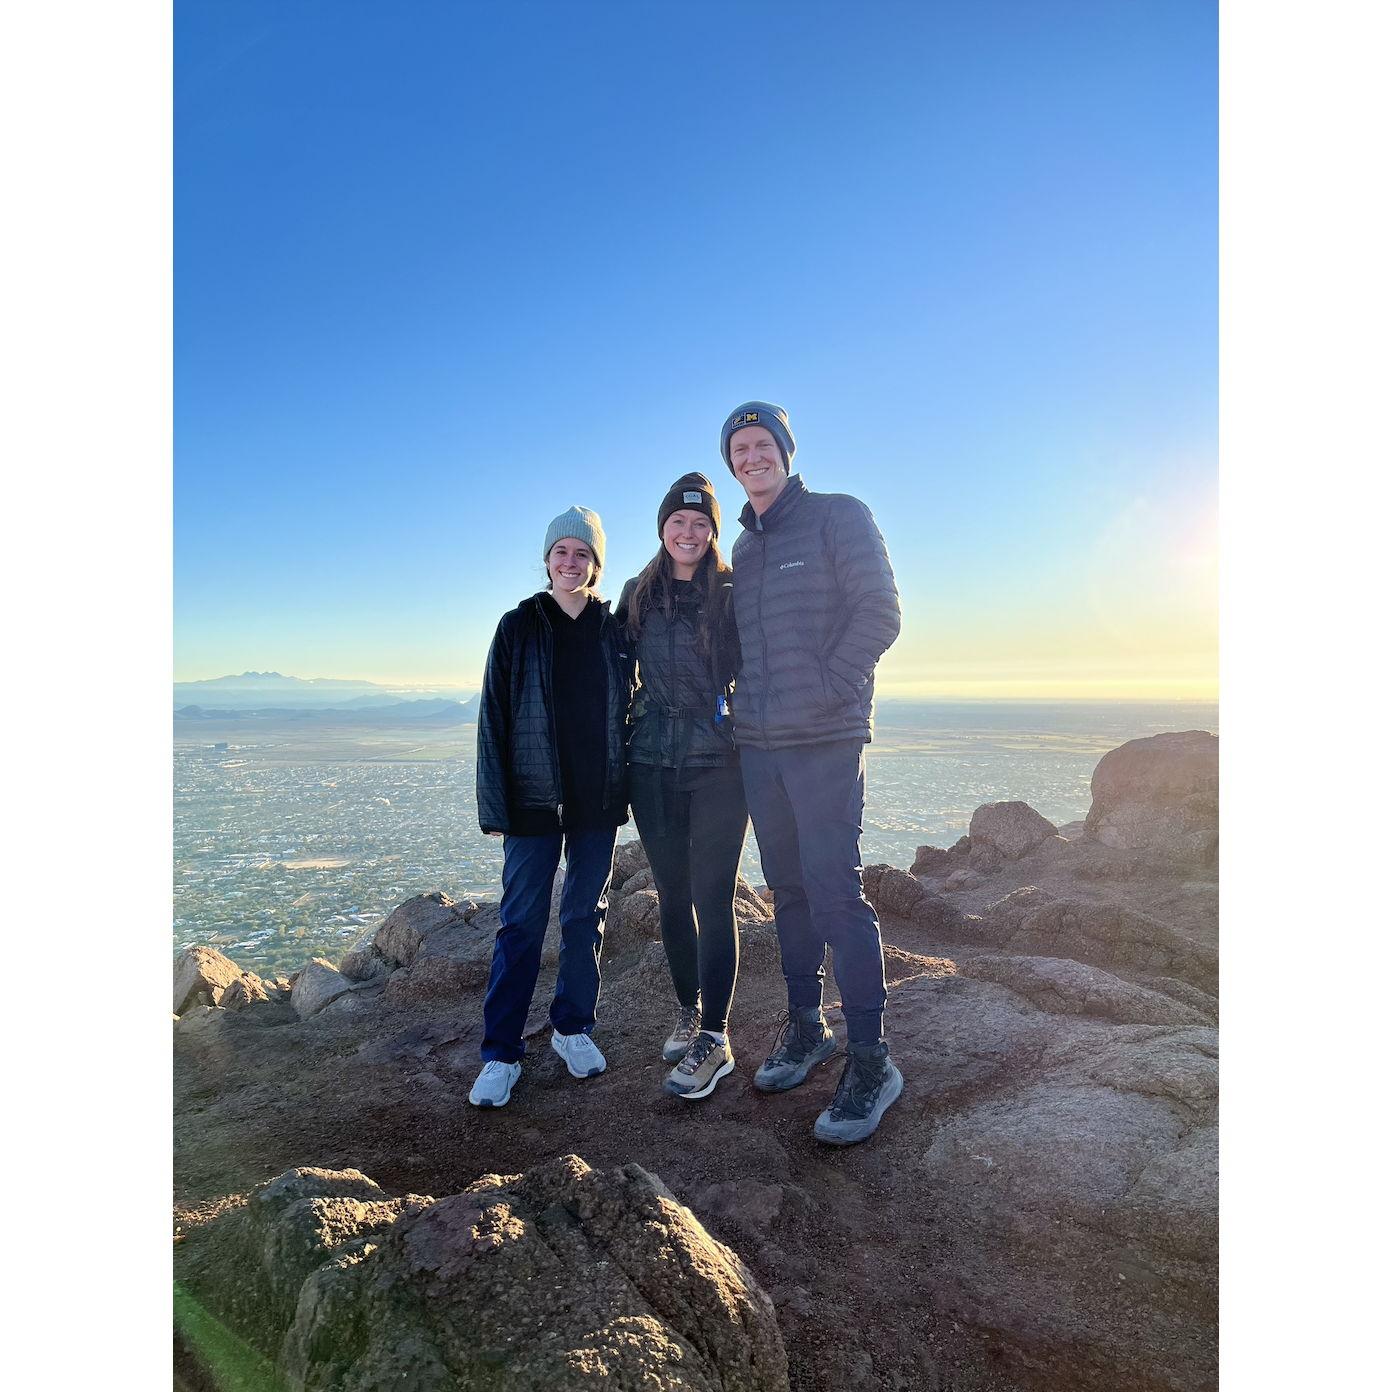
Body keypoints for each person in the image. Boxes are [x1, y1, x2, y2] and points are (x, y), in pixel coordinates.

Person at [720, 401, 904, 1145]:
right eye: (740, 448)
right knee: (788, 891)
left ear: (786, 453)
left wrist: (830, 687)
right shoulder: (747, 546)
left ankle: (873, 1060)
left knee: (834, 892)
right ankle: (806, 1027)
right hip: (761, 747)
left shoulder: (837, 515)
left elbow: (880, 612)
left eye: (764, 444)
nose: (753, 456)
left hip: (826, 739)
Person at [469, 506, 632, 1108]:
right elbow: (493, 720)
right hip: (532, 803)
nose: (571, 563)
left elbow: (630, 712)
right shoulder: (518, 626)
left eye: (582, 554)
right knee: (520, 925)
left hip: (597, 800)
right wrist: (498, 808)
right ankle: (500, 1053)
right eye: (562, 552)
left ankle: (572, 1028)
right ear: (546, 561)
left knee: (584, 918)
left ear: (595, 564)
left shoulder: (613, 632)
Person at [615, 473, 747, 1101]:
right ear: (662, 529)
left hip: (721, 764)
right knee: (672, 894)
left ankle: (715, 1039)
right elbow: (611, 677)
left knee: (715, 895)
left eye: (701, 523)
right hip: (651, 764)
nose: (688, 532)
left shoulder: (732, 592)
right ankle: (688, 1010)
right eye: (678, 522)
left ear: (712, 532)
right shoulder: (636, 596)